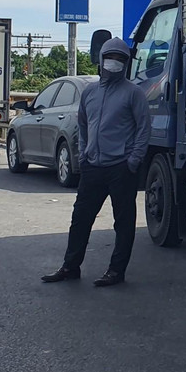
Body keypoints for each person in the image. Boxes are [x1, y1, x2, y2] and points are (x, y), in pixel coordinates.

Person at [41, 38, 149, 287]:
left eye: (120, 59)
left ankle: (116, 271)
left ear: (126, 63)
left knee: (123, 222)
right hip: (93, 167)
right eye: (110, 57)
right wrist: (84, 154)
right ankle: (70, 266)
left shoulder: (134, 93)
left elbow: (144, 130)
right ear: (101, 60)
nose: (114, 63)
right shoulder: (90, 91)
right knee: (81, 218)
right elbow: (83, 124)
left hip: (121, 167)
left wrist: (132, 161)